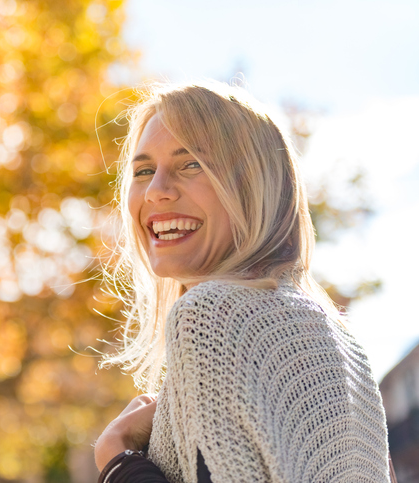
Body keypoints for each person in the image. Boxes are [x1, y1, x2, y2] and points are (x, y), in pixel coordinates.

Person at [94, 81, 393, 483]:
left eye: (191, 164)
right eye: (143, 171)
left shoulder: (210, 314)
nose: (156, 191)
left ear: (252, 185)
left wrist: (116, 459)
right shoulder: (345, 346)